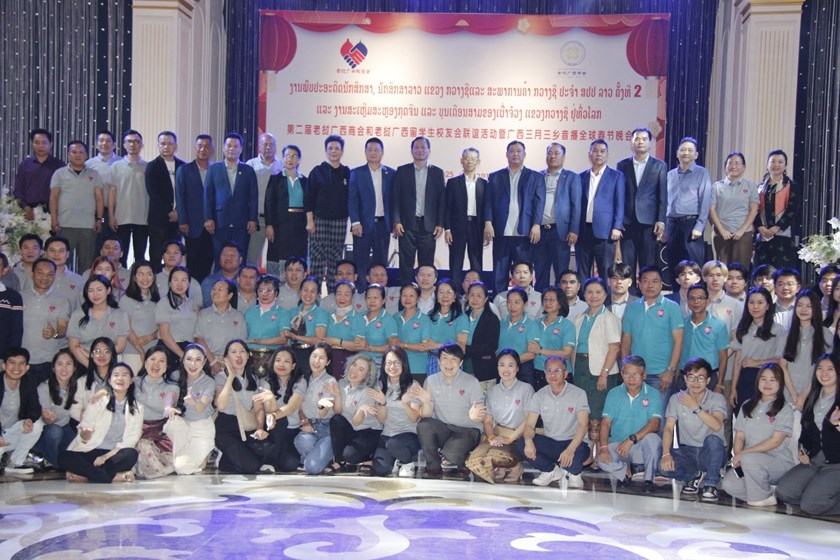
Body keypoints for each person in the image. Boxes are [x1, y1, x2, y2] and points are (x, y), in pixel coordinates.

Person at [721, 363, 795, 507]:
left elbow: (775, 441)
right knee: (729, 485)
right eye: (763, 379)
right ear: (758, 381)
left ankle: (759, 499)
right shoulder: (747, 405)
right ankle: (766, 493)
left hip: (778, 462)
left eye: (773, 380)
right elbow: (739, 437)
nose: (767, 383)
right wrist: (738, 456)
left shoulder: (784, 409)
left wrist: (743, 454)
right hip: (750, 462)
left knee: (749, 459)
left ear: (780, 384)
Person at [776, 354, 840, 515]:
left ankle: (817, 498)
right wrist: (802, 450)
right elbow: (806, 431)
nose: (824, 373)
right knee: (784, 492)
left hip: (836, 463)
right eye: (820, 368)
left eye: (830, 369)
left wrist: (836, 424)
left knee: (811, 506)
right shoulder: (814, 396)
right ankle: (818, 494)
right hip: (815, 460)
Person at [60, 362, 142, 483]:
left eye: (125, 375)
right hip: (92, 449)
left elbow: (131, 440)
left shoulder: (138, 408)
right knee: (64, 456)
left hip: (114, 455)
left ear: (131, 381)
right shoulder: (98, 401)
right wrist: (85, 434)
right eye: (116, 375)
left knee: (132, 454)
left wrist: (106, 456)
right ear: (109, 381)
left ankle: (87, 475)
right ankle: (109, 476)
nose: (120, 378)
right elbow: (85, 425)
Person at [659, 358, 727, 502]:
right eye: (691, 377)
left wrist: (695, 407)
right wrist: (666, 454)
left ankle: (710, 484)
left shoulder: (717, 398)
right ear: (685, 379)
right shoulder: (676, 399)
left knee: (713, 440)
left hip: (709, 452)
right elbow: (669, 428)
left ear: (708, 380)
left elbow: (717, 425)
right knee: (663, 467)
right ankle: (694, 475)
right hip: (688, 451)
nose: (695, 382)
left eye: (700, 378)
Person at [519, 355, 590, 488]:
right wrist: (528, 441)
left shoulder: (579, 394)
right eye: (549, 371)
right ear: (545, 374)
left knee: (581, 450)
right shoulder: (539, 395)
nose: (553, 375)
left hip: (572, 442)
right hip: (551, 442)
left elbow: (583, 425)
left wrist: (570, 449)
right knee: (522, 443)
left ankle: (574, 474)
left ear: (566, 374)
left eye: (557, 371)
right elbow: (529, 425)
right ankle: (550, 471)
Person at [416, 343, 485, 479]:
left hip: (467, 431)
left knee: (451, 454)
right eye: (445, 358)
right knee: (423, 425)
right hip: (445, 429)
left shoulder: (472, 381)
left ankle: (463, 460)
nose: (449, 363)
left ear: (461, 363)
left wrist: (474, 416)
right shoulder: (430, 381)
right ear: (438, 361)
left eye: (454, 359)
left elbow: (480, 415)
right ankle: (433, 467)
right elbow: (426, 415)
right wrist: (426, 402)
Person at [596, 355, 663, 492]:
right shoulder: (614, 393)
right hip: (619, 446)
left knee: (653, 439)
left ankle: (648, 480)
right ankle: (624, 473)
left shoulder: (653, 394)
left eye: (635, 374)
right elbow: (605, 423)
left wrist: (631, 440)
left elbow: (655, 424)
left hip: (641, 447)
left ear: (644, 375)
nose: (631, 379)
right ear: (621, 374)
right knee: (601, 459)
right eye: (627, 374)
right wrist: (603, 447)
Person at [466, 349, 534, 484]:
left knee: (494, 455)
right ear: (497, 367)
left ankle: (516, 467)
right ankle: (500, 467)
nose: (506, 369)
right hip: (497, 434)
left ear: (517, 368)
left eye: (510, 365)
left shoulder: (526, 389)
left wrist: (510, 438)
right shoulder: (493, 391)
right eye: (502, 365)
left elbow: (529, 420)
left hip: (518, 436)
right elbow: (488, 421)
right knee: (473, 461)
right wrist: (491, 437)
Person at [483, 140, 543, 294]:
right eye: (512, 151)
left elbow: (539, 203)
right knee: (499, 273)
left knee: (523, 273)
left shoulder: (535, 177)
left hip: (524, 232)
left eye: (518, 151)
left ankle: (524, 302)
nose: (515, 154)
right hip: (501, 232)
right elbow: (488, 202)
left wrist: (536, 224)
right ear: (506, 154)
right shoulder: (495, 176)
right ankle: (498, 303)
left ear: (524, 154)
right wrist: (488, 222)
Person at [573, 277, 621, 466]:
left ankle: (599, 452)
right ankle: (587, 451)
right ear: (584, 294)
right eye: (590, 292)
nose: (594, 296)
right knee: (584, 410)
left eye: (598, 292)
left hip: (601, 371)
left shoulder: (609, 318)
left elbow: (614, 348)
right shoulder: (580, 317)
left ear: (605, 295)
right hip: (581, 367)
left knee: (598, 412)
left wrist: (604, 373)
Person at [390, 136, 446, 285]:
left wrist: (440, 224)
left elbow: (441, 201)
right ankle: (406, 295)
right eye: (417, 147)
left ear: (429, 150)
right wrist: (396, 221)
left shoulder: (437, 173)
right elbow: (396, 198)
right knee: (405, 266)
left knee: (426, 267)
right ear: (411, 151)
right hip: (406, 225)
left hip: (429, 226)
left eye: (423, 147)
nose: (420, 150)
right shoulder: (402, 171)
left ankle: (424, 296)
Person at [621, 266, 683, 395]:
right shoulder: (631, 308)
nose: (650, 285)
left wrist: (670, 371)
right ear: (639, 284)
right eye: (645, 281)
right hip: (635, 374)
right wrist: (626, 368)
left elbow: (679, 341)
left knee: (658, 409)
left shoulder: (672, 307)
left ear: (661, 284)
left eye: (655, 281)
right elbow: (626, 340)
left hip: (661, 374)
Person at [616, 127, 668, 278]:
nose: (640, 142)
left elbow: (662, 195)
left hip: (649, 222)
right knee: (628, 264)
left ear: (650, 143)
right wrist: (618, 221)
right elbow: (619, 195)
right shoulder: (622, 165)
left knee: (648, 263)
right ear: (631, 143)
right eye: (637, 139)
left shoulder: (659, 165)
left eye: (644, 139)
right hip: (627, 222)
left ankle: (646, 291)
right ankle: (630, 291)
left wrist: (661, 220)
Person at [531, 143, 582, 292]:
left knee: (561, 272)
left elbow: (576, 205)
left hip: (561, 232)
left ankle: (561, 303)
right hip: (539, 232)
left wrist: (574, 230)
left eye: (556, 153)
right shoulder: (538, 176)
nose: (552, 156)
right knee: (540, 271)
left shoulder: (572, 177)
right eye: (549, 153)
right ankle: (541, 302)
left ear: (563, 157)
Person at [203, 132, 259, 268]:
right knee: (220, 257)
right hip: (219, 222)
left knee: (240, 258)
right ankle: (219, 282)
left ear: (241, 149)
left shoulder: (248, 170)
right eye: (229, 145)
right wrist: (208, 218)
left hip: (242, 223)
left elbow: (253, 196)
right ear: (223, 148)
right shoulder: (214, 169)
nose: (232, 149)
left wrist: (253, 219)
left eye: (235, 146)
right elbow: (208, 195)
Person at [213, 339, 269, 474]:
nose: (238, 355)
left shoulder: (253, 378)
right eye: (233, 352)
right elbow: (220, 405)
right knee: (251, 467)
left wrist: (260, 428)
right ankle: (224, 458)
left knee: (267, 449)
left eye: (242, 351)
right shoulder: (221, 377)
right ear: (226, 358)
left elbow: (259, 408)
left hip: (246, 427)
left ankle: (228, 458)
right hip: (226, 427)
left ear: (248, 355)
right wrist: (230, 377)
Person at [49, 140, 105, 272]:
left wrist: (99, 219)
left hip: (88, 226)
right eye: (74, 152)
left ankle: (84, 286)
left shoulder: (94, 174)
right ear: (68, 154)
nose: (77, 155)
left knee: (86, 265)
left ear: (86, 155)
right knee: (60, 263)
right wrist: (54, 219)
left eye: (81, 152)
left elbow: (99, 198)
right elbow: (54, 197)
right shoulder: (59, 173)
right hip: (65, 224)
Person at [305, 135, 351, 286]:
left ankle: (333, 294)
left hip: (340, 221)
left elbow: (352, 198)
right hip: (319, 220)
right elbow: (309, 198)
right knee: (317, 259)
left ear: (342, 151)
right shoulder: (317, 171)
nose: (333, 151)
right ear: (326, 151)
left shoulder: (347, 172)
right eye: (330, 148)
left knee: (335, 260)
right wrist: (310, 221)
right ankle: (315, 294)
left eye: (337, 148)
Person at [730, 287, 785, 413]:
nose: (755, 306)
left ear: (768, 306)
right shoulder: (742, 328)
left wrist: (757, 362)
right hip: (744, 378)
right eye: (751, 302)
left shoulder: (778, 330)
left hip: (767, 378)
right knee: (743, 415)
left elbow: (780, 360)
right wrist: (733, 388)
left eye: (760, 303)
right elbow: (737, 360)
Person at [164, 344, 216, 475]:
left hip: (201, 430)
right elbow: (171, 393)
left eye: (198, 360)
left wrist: (194, 402)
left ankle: (206, 454)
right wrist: (168, 406)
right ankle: (183, 457)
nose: (193, 364)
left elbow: (201, 407)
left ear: (204, 362)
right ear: (183, 360)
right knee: (172, 422)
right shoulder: (176, 376)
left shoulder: (209, 382)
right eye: (189, 359)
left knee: (182, 468)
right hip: (182, 427)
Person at [350, 138, 395, 290]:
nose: (373, 153)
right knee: (361, 263)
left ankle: (379, 294)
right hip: (362, 225)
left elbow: (394, 200)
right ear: (365, 152)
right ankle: (361, 294)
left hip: (383, 225)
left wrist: (395, 222)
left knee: (380, 263)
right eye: (370, 150)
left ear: (382, 152)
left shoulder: (391, 173)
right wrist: (355, 222)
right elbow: (352, 199)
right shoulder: (356, 173)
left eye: (376, 150)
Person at [325, 354, 383, 472]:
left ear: (367, 375)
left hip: (368, 431)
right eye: (354, 365)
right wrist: (337, 395)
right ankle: (339, 461)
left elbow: (357, 422)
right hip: (351, 429)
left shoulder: (369, 391)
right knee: (336, 420)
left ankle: (369, 456)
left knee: (350, 456)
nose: (354, 370)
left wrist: (361, 409)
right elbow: (338, 412)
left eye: (361, 369)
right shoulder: (341, 384)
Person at [371, 347, 422, 477]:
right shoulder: (380, 386)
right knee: (380, 469)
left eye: (396, 362)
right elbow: (381, 420)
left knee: (394, 444)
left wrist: (405, 403)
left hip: (409, 434)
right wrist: (382, 403)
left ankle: (407, 463)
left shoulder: (413, 385)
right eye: (388, 363)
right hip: (387, 434)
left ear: (403, 364)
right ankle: (396, 458)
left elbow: (415, 418)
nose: (392, 366)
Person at [252, 346, 305, 473]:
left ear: (293, 366)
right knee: (280, 421)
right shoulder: (265, 381)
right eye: (278, 360)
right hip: (272, 429)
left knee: (290, 464)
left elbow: (292, 407)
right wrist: (271, 401)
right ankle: (269, 461)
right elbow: (268, 410)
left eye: (286, 361)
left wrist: (274, 413)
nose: (281, 364)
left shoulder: (300, 381)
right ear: (273, 363)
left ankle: (272, 456)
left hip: (292, 431)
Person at [577, 139, 625, 279]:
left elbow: (619, 203)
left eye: (602, 151)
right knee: (582, 272)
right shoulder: (581, 177)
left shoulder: (616, 176)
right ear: (589, 154)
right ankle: (583, 294)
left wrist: (617, 227)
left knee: (606, 271)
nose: (599, 154)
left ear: (607, 155)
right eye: (595, 151)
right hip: (583, 231)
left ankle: (606, 295)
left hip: (606, 232)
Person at [294, 342, 343, 474]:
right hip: (309, 427)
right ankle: (321, 457)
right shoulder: (303, 379)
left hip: (326, 428)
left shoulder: (330, 381)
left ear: (328, 362)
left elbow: (323, 413)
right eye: (314, 356)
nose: (316, 361)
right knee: (300, 441)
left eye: (322, 358)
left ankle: (316, 458)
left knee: (312, 468)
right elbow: (298, 406)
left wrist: (322, 405)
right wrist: (304, 421)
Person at [665, 136, 712, 271]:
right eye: (683, 149)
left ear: (696, 155)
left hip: (691, 224)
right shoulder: (670, 175)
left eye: (690, 150)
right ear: (677, 153)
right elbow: (665, 201)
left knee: (693, 266)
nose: (686, 153)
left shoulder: (702, 173)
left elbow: (705, 200)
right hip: (672, 224)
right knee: (674, 265)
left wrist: (700, 226)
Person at [21, 258, 70, 383]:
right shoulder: (19, 297)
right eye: (40, 273)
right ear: (32, 274)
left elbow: (62, 330)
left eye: (50, 274)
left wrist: (54, 334)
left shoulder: (62, 300)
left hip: (48, 361)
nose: (45, 277)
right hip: (21, 361)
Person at [133, 346, 179, 479]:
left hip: (159, 431)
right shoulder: (135, 382)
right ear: (145, 363)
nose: (156, 364)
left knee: (147, 447)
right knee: (140, 446)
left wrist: (168, 407)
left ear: (166, 366)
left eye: (161, 361)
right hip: (137, 428)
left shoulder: (171, 385)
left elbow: (169, 398)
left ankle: (158, 471)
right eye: (152, 359)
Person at [174, 134, 215, 282]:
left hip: (213, 226)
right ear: (195, 148)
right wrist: (183, 221)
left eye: (206, 146)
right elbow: (180, 197)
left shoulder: (216, 169)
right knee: (193, 262)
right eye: (200, 146)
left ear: (212, 149)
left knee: (209, 261)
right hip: (192, 225)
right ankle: (193, 291)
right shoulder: (184, 170)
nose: (203, 149)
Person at [444, 147, 486, 288]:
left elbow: (487, 208)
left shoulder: (484, 184)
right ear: (461, 161)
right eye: (467, 158)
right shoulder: (453, 182)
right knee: (456, 262)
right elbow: (447, 207)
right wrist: (447, 229)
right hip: (457, 227)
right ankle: (454, 293)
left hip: (477, 227)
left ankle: (477, 292)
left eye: (473, 159)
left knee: (476, 262)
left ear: (478, 162)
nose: (469, 161)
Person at [67, 275, 129, 369]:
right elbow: (74, 346)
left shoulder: (120, 315)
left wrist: (91, 354)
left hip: (110, 364)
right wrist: (91, 367)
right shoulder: (78, 315)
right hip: (84, 364)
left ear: (108, 290)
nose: (95, 294)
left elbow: (120, 347)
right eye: (91, 291)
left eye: (99, 290)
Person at [265, 145, 308, 277]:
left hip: (299, 224)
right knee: (278, 255)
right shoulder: (276, 179)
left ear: (299, 160)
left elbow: (309, 204)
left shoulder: (304, 180)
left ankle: (297, 282)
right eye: (287, 156)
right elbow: (269, 203)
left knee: (297, 255)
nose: (290, 159)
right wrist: (269, 224)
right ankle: (276, 283)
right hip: (280, 224)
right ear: (283, 159)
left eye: (294, 156)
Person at [709, 152, 759, 266]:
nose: (734, 166)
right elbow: (711, 210)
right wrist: (721, 230)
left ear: (744, 167)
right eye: (730, 163)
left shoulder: (751, 186)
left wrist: (742, 230)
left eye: (737, 163)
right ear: (725, 167)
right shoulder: (717, 186)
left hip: (743, 234)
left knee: (741, 269)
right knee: (721, 269)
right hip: (721, 233)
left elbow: (754, 210)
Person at [677, 284, 730, 390]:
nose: (696, 301)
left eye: (700, 298)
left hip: (708, 378)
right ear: (687, 301)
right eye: (692, 298)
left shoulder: (718, 325)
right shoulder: (682, 324)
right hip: (685, 377)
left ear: (707, 301)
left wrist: (720, 384)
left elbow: (723, 357)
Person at [145, 131, 185, 273]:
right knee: (156, 255)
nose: (166, 147)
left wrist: (178, 211)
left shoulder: (183, 166)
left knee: (175, 255)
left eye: (170, 144)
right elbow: (154, 193)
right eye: (163, 144)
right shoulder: (152, 166)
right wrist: (169, 212)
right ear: (158, 146)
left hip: (178, 219)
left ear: (176, 146)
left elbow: (186, 193)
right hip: (158, 219)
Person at [108, 129, 149, 266]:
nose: (133, 144)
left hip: (142, 218)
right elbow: (112, 191)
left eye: (136, 141)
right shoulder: (116, 166)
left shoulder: (148, 166)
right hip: (121, 217)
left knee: (140, 256)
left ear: (141, 145)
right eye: (129, 141)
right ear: (124, 144)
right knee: (121, 256)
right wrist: (111, 216)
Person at [33, 349, 79, 470]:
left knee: (77, 445)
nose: (64, 368)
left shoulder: (77, 386)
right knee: (55, 432)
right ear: (53, 368)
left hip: (65, 427)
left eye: (68, 364)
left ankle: (55, 460)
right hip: (45, 431)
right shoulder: (44, 387)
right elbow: (45, 419)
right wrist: (49, 418)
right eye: (59, 364)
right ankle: (53, 463)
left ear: (74, 368)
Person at [0, 348, 43, 474]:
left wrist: (29, 420)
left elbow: (35, 408)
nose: (16, 367)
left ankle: (15, 462)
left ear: (27, 367)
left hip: (12, 432)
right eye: (12, 362)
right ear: (4, 366)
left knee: (36, 425)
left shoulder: (29, 381)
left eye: (21, 363)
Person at [754, 149, 799, 269]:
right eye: (772, 161)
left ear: (785, 166)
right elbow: (753, 210)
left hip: (783, 237)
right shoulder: (759, 187)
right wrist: (760, 227)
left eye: (780, 162)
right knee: (762, 271)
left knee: (782, 270)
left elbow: (792, 210)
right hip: (762, 236)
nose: (776, 165)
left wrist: (776, 227)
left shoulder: (792, 186)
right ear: (767, 165)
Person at [245, 132, 284, 266]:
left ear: (276, 147)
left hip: (277, 220)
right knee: (252, 259)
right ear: (259, 146)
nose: (268, 147)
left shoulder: (283, 166)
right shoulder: (250, 165)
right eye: (265, 144)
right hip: (256, 219)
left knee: (275, 260)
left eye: (271, 144)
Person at [195, 278, 248, 375]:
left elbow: (241, 342)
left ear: (230, 295)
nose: (215, 292)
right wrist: (213, 362)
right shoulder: (203, 314)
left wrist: (232, 362)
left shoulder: (239, 316)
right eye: (214, 289)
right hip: (207, 361)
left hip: (232, 362)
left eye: (220, 289)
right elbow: (199, 339)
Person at [14, 128, 66, 220]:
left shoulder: (59, 165)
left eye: (44, 143)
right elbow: (18, 190)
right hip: (29, 213)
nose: (40, 146)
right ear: (32, 144)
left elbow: (66, 190)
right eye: (37, 143)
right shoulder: (25, 165)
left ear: (50, 144)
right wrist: (25, 207)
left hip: (53, 213)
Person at [119, 260, 160, 374]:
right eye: (140, 274)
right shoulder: (126, 300)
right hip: (133, 352)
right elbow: (126, 328)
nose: (145, 278)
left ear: (154, 277)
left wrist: (150, 337)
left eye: (149, 274)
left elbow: (162, 326)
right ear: (134, 277)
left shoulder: (158, 300)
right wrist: (141, 351)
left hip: (154, 352)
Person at [497, 287, 541, 387]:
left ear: (525, 305)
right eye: (509, 302)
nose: (512, 306)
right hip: (502, 371)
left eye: (517, 302)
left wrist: (511, 363)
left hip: (523, 370)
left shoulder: (531, 325)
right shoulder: (501, 323)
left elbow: (531, 354)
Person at [534, 286, 575, 392]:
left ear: (560, 303)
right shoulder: (536, 323)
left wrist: (540, 351)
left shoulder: (567, 325)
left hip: (559, 373)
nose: (547, 303)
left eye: (552, 300)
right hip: (537, 371)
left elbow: (566, 353)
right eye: (545, 300)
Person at [155, 266, 199, 361]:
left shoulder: (191, 304)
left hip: (189, 348)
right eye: (176, 280)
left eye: (183, 280)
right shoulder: (164, 303)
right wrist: (182, 355)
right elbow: (164, 335)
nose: (180, 284)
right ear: (170, 283)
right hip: (170, 349)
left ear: (189, 284)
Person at [426, 279, 468, 375]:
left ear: (454, 296)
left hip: (452, 361)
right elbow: (426, 342)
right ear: (436, 296)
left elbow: (461, 346)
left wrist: (437, 345)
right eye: (441, 292)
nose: (445, 295)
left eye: (449, 292)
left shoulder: (461, 317)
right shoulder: (430, 316)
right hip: (432, 360)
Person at [287, 276, 328, 377]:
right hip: (291, 353)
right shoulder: (292, 312)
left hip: (310, 354)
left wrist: (295, 337)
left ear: (318, 295)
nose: (308, 294)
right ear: (300, 292)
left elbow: (319, 340)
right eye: (305, 290)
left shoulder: (320, 313)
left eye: (313, 291)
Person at [463, 281, 501, 389]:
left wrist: (466, 349)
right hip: (463, 366)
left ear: (485, 299)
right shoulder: (463, 317)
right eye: (472, 295)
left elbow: (492, 346)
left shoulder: (492, 319)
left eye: (479, 296)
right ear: (467, 297)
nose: (475, 299)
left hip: (484, 369)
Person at [323, 280, 363, 378]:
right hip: (327, 360)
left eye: (346, 294)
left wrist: (336, 341)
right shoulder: (327, 316)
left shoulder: (358, 318)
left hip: (348, 360)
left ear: (353, 297)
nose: (342, 297)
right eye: (339, 294)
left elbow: (357, 346)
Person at [353, 283, 399, 369]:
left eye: (376, 298)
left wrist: (369, 348)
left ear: (383, 300)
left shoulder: (389, 320)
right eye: (369, 298)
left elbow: (392, 347)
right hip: (359, 360)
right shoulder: (360, 317)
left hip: (379, 362)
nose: (372, 301)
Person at [71, 337, 117, 423]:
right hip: (89, 425)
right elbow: (75, 409)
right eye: (97, 351)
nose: (101, 355)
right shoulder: (82, 381)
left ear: (112, 355)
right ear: (91, 354)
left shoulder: (120, 379)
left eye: (106, 351)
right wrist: (87, 417)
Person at [394, 283, 432, 382]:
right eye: (404, 295)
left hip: (417, 368)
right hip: (396, 368)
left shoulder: (424, 319)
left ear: (418, 298)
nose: (407, 299)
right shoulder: (395, 317)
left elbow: (424, 347)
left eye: (411, 296)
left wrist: (403, 345)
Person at [245, 274, 290, 353]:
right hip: (249, 354)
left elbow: (283, 339)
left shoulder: (283, 313)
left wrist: (259, 341)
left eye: (269, 291)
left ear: (276, 293)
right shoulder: (249, 312)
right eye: (261, 290)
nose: (264, 294)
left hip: (273, 355)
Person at [156, 240, 203, 309]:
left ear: (182, 256)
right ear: (162, 256)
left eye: (176, 253)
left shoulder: (192, 282)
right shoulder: (154, 280)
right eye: (168, 252)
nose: (172, 255)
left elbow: (197, 307)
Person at [44, 235, 83, 313]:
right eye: (52, 250)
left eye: (61, 251)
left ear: (67, 254)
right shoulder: (38, 279)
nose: (56, 254)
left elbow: (82, 309)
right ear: (45, 253)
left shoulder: (79, 280)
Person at [200, 241, 243, 308]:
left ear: (240, 260)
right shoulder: (209, 281)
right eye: (225, 255)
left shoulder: (246, 281)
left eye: (232, 255)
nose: (228, 258)